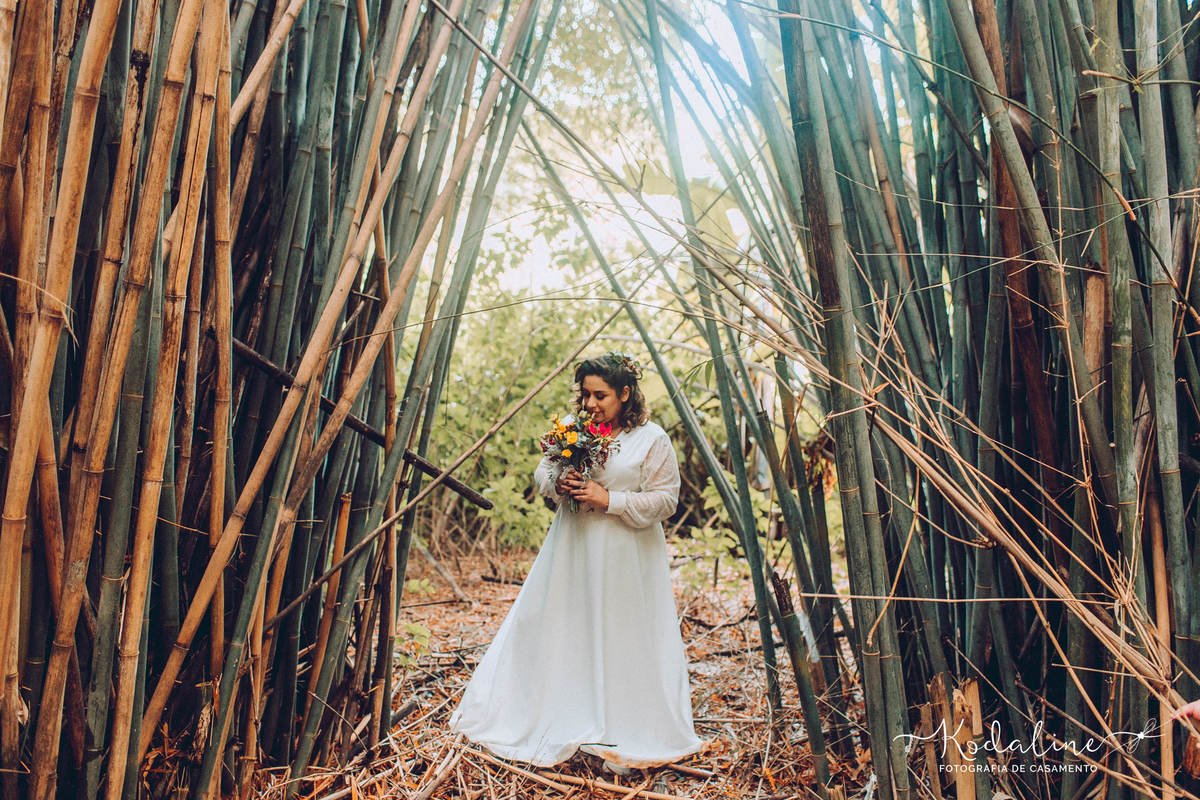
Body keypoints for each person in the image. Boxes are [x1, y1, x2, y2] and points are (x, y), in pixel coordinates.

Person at [449, 352, 703, 773]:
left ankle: (621, 723)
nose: (590, 404)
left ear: (625, 393)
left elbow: (666, 500)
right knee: (561, 625)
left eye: (599, 395)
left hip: (626, 555)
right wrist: (558, 482)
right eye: (584, 394)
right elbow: (542, 474)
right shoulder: (573, 430)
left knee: (619, 631)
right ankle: (558, 712)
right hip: (572, 548)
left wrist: (611, 500)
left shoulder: (651, 438)